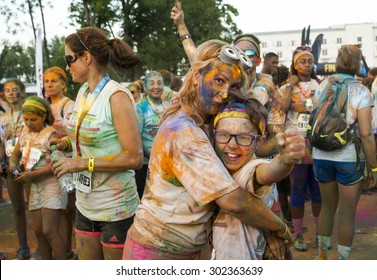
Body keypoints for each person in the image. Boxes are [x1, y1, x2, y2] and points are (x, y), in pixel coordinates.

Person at [122, 40, 295, 260]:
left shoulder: (205, 121)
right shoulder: (183, 130)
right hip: (156, 252)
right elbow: (234, 201)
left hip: (180, 249)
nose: (224, 94)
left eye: (232, 86)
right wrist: (278, 228)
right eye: (219, 80)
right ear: (196, 76)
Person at [51, 26, 143, 260]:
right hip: (85, 203)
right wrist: (66, 144)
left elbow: (134, 158)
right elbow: (90, 138)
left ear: (86, 57)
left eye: (69, 59)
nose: (66, 66)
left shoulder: (117, 97)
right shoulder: (83, 91)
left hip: (116, 208)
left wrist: (80, 164)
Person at [170, 1, 285, 160]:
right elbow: (197, 59)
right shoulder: (218, 85)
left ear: (258, 60)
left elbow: (277, 136)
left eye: (249, 53)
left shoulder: (270, 91)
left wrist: (245, 154)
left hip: (256, 167)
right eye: (237, 51)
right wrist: (181, 25)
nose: (242, 55)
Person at [211, 99, 304, 260]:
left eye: (244, 137)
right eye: (224, 135)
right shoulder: (216, 169)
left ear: (259, 141)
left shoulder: (251, 168)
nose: (232, 144)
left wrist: (285, 160)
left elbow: (269, 172)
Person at [312, 45, 377, 260]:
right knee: (347, 212)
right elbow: (367, 134)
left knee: (327, 208)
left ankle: (322, 256)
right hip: (348, 158)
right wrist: (374, 166)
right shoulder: (360, 90)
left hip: (321, 155)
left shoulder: (322, 85)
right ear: (357, 63)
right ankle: (342, 262)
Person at [9, 96, 67, 260]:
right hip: (34, 186)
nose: (29, 123)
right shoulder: (25, 132)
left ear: (43, 116)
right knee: (39, 232)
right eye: (26, 119)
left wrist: (32, 175)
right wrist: (14, 166)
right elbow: (15, 154)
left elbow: (58, 162)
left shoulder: (51, 135)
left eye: (33, 119)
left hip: (51, 185)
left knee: (50, 231)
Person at [279, 45, 322, 251]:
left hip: (317, 143)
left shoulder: (320, 84)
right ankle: (297, 235)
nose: (307, 65)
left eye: (310, 61)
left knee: (318, 191)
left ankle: (320, 235)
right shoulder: (287, 86)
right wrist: (289, 85)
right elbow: (281, 109)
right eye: (302, 62)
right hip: (296, 143)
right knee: (297, 191)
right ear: (294, 65)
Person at [43, 66, 76, 260]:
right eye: (47, 81)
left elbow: (73, 134)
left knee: (69, 209)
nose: (49, 84)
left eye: (54, 81)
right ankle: (64, 249)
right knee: (57, 209)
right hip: (46, 164)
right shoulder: (43, 105)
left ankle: (70, 247)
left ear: (63, 83)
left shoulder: (69, 105)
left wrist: (54, 133)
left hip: (67, 162)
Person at [1, 79, 30, 259]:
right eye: (7, 90)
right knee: (18, 208)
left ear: (23, 92)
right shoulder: (2, 118)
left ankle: (41, 248)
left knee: (35, 207)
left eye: (15, 90)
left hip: (30, 165)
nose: (11, 93)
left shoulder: (30, 112)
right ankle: (23, 247)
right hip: (10, 166)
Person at [135, 71, 169, 198]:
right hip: (146, 166)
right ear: (145, 87)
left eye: (159, 83)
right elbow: (137, 138)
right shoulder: (140, 108)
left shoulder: (169, 106)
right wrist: (154, 158)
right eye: (152, 83)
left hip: (167, 164)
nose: (156, 87)